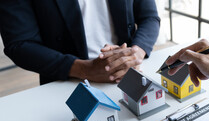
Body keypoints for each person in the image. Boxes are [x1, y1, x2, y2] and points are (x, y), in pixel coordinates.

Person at [0, 0, 160, 85]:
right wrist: (86, 69)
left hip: (129, 72)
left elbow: (149, 17)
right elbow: (19, 44)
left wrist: (134, 54)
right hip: (66, 79)